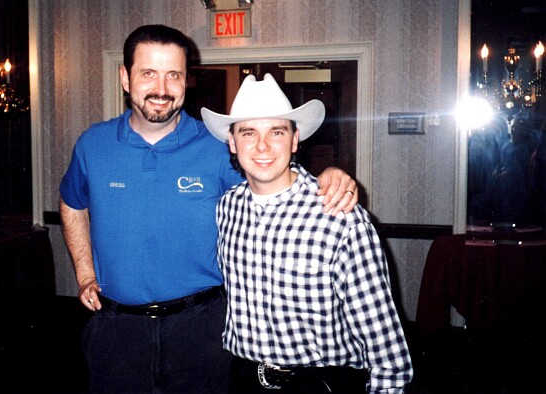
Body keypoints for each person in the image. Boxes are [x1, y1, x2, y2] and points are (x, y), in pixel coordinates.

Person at [59, 25, 359, 393]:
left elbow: (270, 180)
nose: (161, 88)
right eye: (148, 73)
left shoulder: (217, 145)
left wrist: (327, 174)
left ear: (187, 81)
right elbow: (72, 204)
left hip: (202, 327)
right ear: (125, 77)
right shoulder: (93, 144)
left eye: (174, 75)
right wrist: (85, 272)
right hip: (117, 328)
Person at [201, 73, 413, 393]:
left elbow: (387, 353)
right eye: (248, 133)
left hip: (319, 384)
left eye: (276, 131)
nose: (262, 146)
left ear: (295, 139)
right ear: (232, 141)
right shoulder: (226, 209)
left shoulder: (341, 217)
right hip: (244, 378)